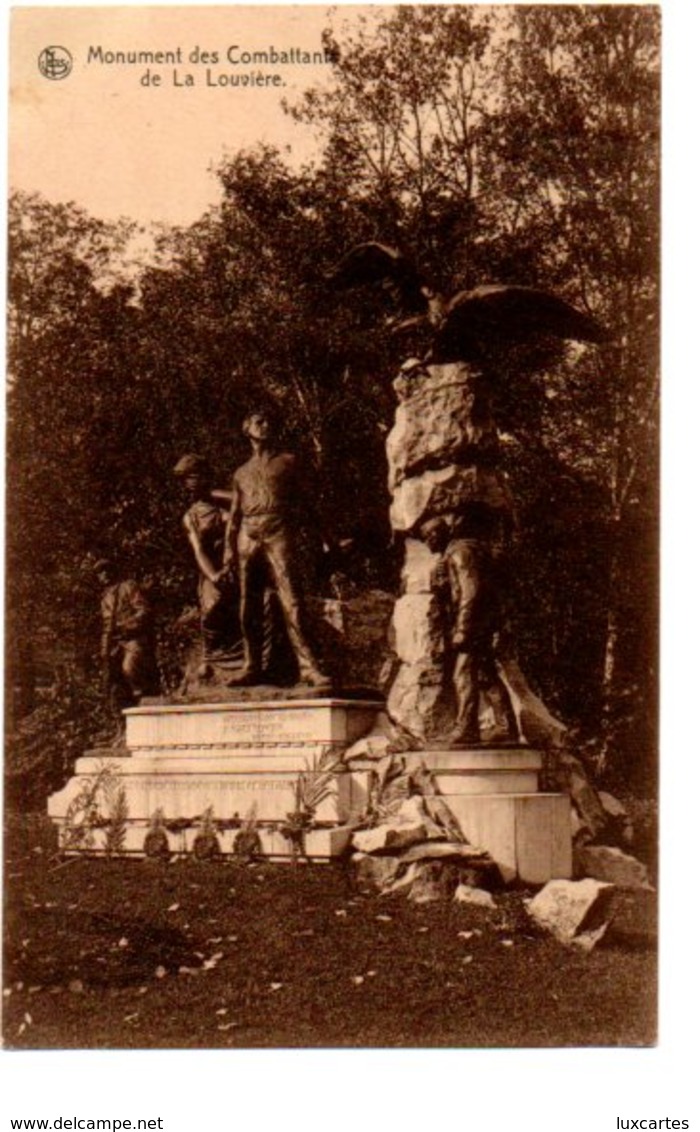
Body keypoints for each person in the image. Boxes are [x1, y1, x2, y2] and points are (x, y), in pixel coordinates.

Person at [224, 409, 330, 687]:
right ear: (247, 428)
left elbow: (308, 504)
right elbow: (234, 516)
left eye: (268, 420)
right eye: (259, 421)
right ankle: (252, 666)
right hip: (248, 534)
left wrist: (327, 537)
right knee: (248, 604)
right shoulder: (240, 473)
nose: (265, 425)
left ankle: (308, 667)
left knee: (291, 599)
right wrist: (227, 550)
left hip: (277, 529)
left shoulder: (287, 462)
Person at [420, 509, 516, 745]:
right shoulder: (458, 552)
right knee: (484, 675)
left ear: (439, 534)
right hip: (481, 622)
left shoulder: (460, 553)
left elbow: (470, 592)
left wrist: (463, 628)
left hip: (474, 624)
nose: (427, 543)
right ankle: (506, 727)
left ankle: (467, 728)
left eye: (429, 537)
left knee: (462, 675)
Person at [173, 453, 232, 662]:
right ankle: (214, 659)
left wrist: (215, 494)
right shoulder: (191, 516)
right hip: (213, 569)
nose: (189, 483)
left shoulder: (222, 505)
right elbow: (199, 550)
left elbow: (246, 502)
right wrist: (214, 575)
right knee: (212, 610)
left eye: (194, 476)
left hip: (236, 563)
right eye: (186, 478)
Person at [96, 559, 159, 735]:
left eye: (106, 570)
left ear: (113, 571)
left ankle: (144, 709)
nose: (104, 575)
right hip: (113, 643)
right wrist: (104, 648)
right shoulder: (104, 597)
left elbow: (144, 610)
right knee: (113, 685)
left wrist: (126, 625)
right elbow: (106, 625)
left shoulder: (128, 587)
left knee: (130, 669)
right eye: (100, 573)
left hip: (133, 638)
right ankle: (121, 729)